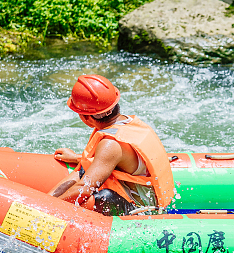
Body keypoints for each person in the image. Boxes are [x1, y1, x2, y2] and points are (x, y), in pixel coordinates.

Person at [48, 74, 175, 216]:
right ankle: (47, 200)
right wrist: (77, 158)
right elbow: (111, 161)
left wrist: (46, 209)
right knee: (84, 171)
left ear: (85, 117)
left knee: (102, 198)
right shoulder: (128, 123)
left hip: (142, 211)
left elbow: (84, 188)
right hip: (152, 198)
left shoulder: (111, 144)